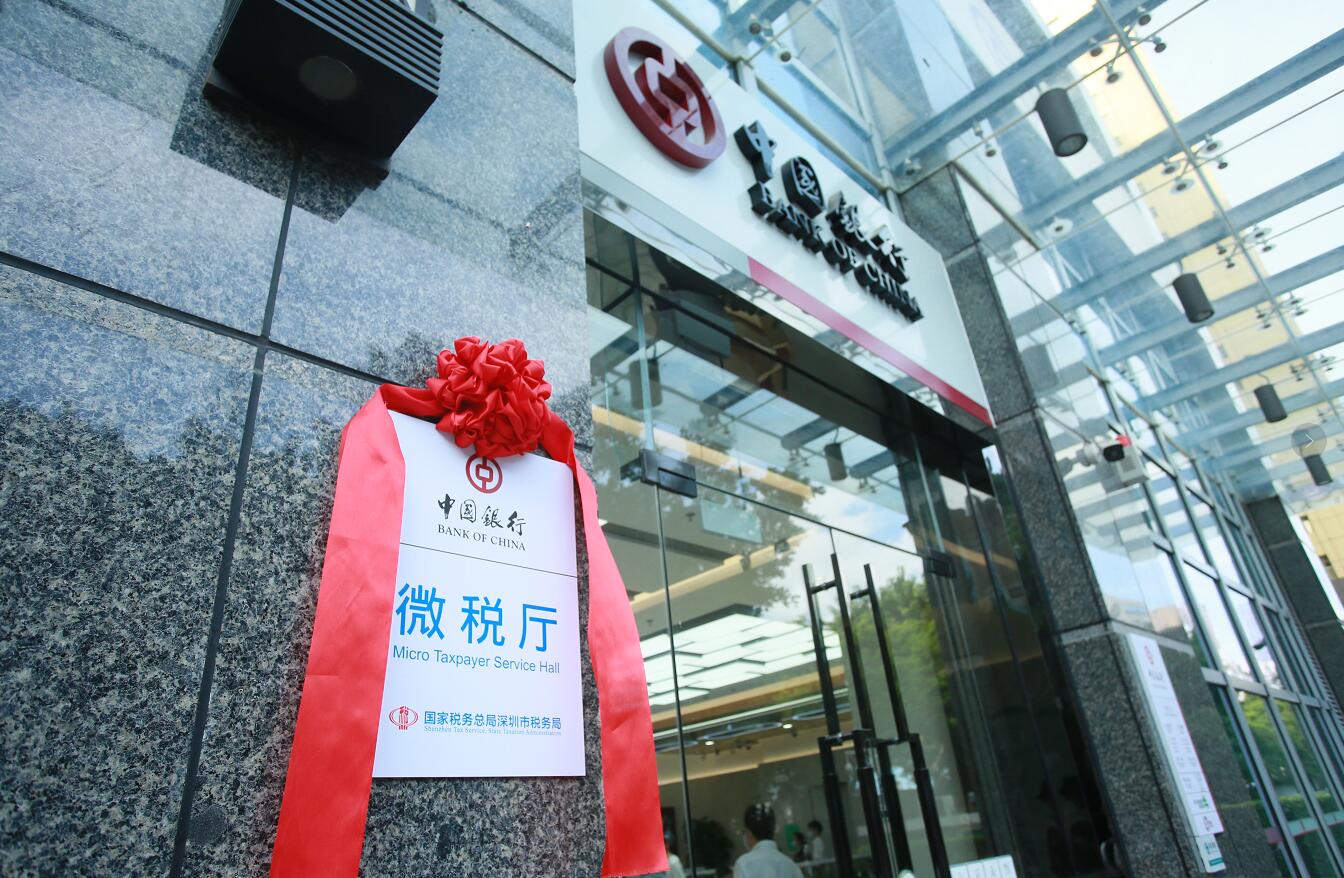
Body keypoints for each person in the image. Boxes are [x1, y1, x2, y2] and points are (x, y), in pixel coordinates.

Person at [733, 803, 803, 878]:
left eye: (744, 832)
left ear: (749, 833)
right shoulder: (791, 865)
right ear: (773, 830)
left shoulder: (743, 864)